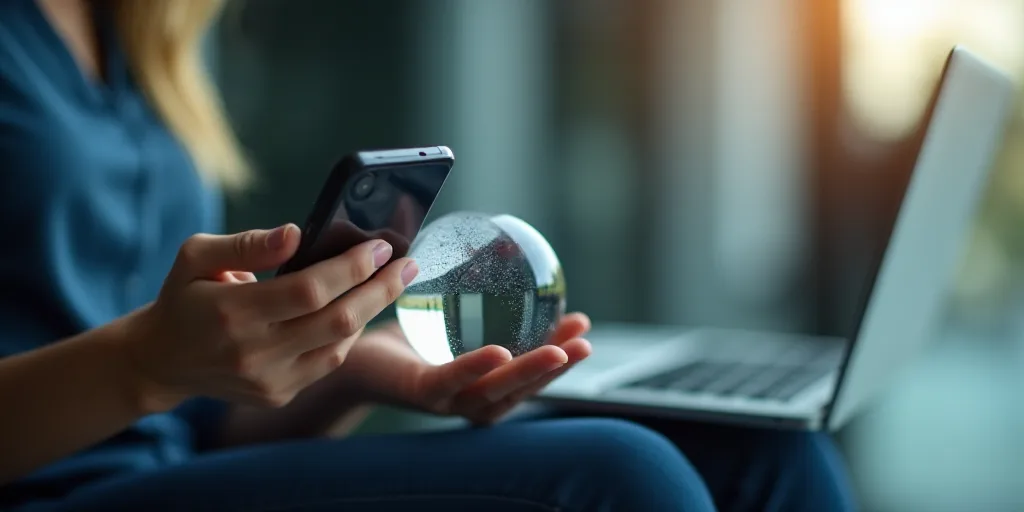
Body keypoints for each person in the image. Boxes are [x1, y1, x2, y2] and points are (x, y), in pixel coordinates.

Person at [0, 0, 858, 510]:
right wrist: (144, 365)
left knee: (768, 453)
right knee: (625, 475)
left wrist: (362, 368)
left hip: (164, 469)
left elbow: (195, 424)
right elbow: (148, 379)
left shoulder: (138, 33)